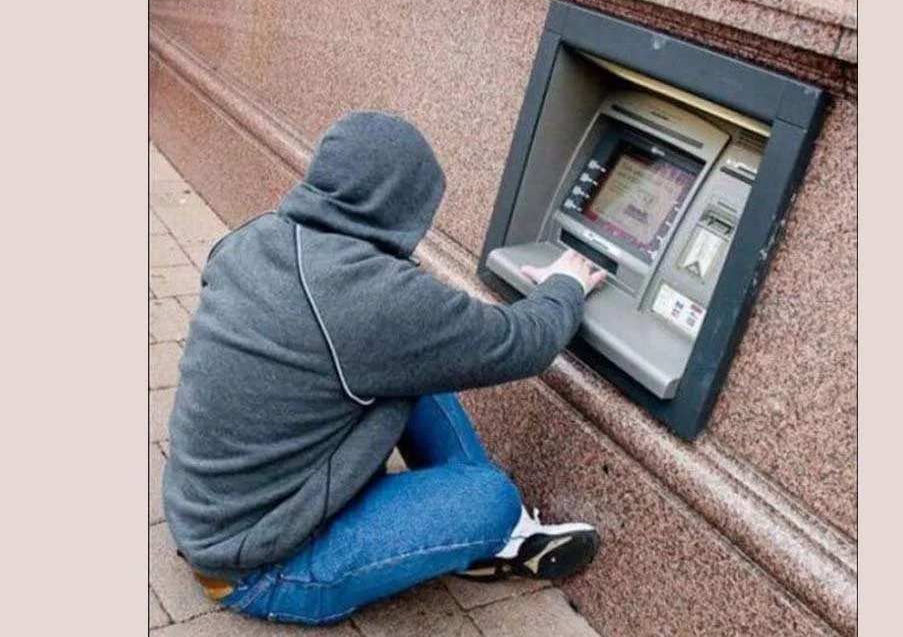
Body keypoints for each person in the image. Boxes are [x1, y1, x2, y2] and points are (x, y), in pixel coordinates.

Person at [162, 111, 607, 626]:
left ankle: (461, 514)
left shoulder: (257, 237)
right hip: (260, 567)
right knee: (491, 501)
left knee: (418, 364)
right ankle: (488, 530)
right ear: (401, 205)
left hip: (209, 507)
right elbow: (520, 343)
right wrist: (565, 284)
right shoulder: (373, 301)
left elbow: (423, 334)